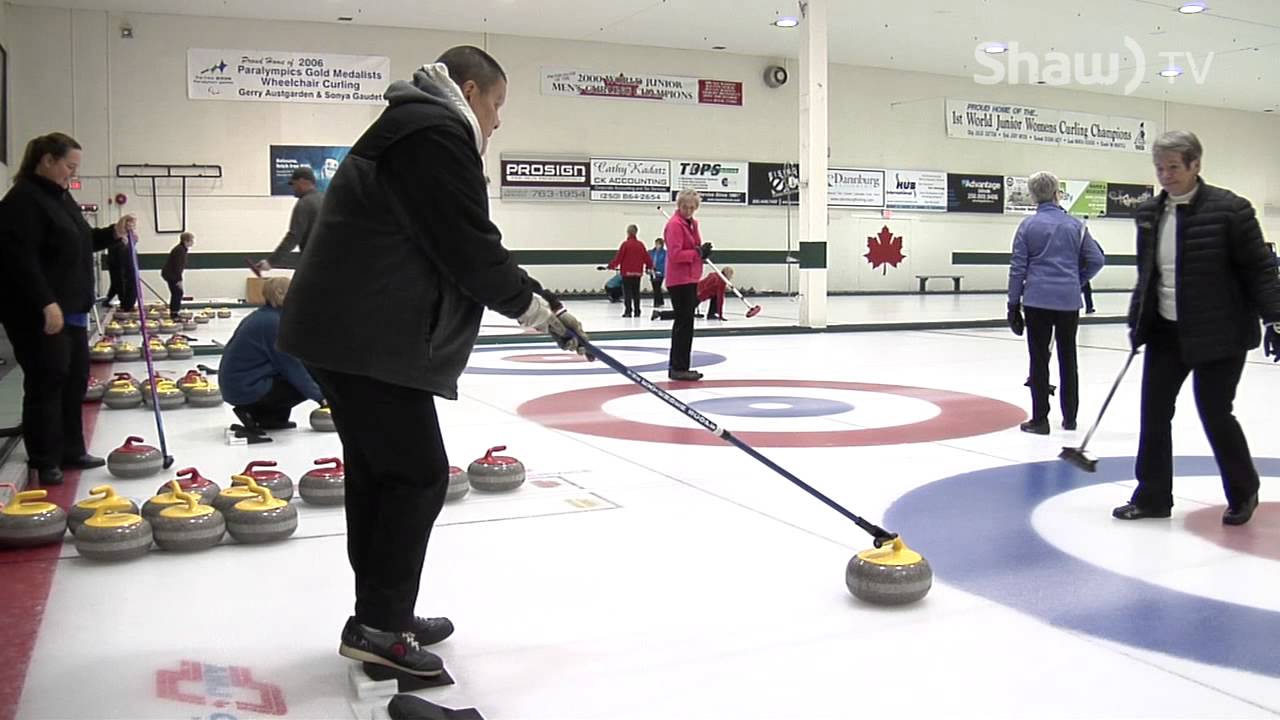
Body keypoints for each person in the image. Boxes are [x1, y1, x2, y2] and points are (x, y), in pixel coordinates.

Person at [277, 46, 590, 677]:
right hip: (366, 337)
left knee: (382, 476)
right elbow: (468, 247)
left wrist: (538, 302)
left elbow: (457, 241)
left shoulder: (413, 126)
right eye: (497, 104)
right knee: (417, 476)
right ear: (469, 91)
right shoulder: (435, 133)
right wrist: (537, 310)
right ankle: (380, 626)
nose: (498, 121)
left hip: (351, 333)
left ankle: (382, 616)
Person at [1113, 130, 1280, 525]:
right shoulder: (1150, 214)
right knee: (1154, 413)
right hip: (1166, 332)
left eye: (1173, 167)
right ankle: (1152, 497)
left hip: (1221, 333)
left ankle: (1243, 490)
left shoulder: (1232, 210)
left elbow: (1259, 270)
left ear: (1195, 165)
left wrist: (1275, 317)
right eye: (1159, 168)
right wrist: (1138, 321)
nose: (1165, 175)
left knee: (1215, 412)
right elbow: (1148, 276)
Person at [0, 132, 136, 486]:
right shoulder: (23, 201)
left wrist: (114, 232)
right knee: (47, 382)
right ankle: (45, 458)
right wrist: (45, 302)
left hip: (71, 310)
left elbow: (81, 241)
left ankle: (71, 450)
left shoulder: (61, 197)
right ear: (47, 160)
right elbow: (19, 261)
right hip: (38, 313)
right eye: (69, 166)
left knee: (74, 381)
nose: (73, 173)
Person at [1007, 170, 1105, 435]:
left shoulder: (1027, 226)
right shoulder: (1076, 226)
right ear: (1056, 194)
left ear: (1033, 196)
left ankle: (1040, 419)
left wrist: (1013, 305)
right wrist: (1077, 280)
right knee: (1068, 357)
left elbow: (1018, 268)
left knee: (1039, 359)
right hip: (1068, 302)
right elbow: (1097, 260)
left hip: (1037, 301)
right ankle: (1070, 418)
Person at [218, 276, 322, 432]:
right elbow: (292, 367)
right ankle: (254, 412)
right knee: (311, 374)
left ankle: (270, 419)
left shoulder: (265, 316)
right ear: (282, 294)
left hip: (239, 385)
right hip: (246, 389)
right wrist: (321, 397)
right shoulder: (273, 323)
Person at [663, 189, 712, 381]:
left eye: (692, 207)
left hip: (691, 277)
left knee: (687, 323)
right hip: (679, 279)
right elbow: (675, 255)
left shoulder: (693, 224)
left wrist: (702, 252)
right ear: (679, 205)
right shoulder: (675, 225)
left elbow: (694, 247)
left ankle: (681, 365)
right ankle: (678, 367)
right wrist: (696, 253)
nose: (688, 211)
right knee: (683, 324)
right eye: (685, 207)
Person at [255, 166, 324, 272]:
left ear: (302, 181)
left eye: (294, 184)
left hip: (313, 263)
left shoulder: (304, 204)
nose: (293, 188)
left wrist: (271, 262)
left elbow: (294, 236)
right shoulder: (325, 199)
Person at [603, 224, 652, 317]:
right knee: (636, 293)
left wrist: (611, 266)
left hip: (627, 273)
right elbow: (646, 257)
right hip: (637, 273)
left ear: (628, 232)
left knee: (627, 293)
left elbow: (619, 258)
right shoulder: (640, 245)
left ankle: (628, 311)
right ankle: (637, 311)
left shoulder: (625, 244)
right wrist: (650, 266)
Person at [161, 232, 194, 319]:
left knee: (177, 292)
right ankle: (174, 313)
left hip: (171, 273)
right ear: (186, 241)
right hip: (171, 274)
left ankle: (174, 312)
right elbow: (177, 267)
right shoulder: (180, 250)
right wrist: (179, 280)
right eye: (191, 240)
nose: (193, 242)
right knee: (178, 292)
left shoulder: (182, 249)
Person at [649, 237, 667, 307]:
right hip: (652, 271)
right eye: (656, 244)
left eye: (658, 244)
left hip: (660, 272)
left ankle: (656, 302)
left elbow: (664, 263)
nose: (657, 245)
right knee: (655, 287)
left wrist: (661, 271)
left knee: (657, 286)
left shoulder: (664, 253)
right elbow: (649, 260)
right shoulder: (652, 252)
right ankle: (660, 301)